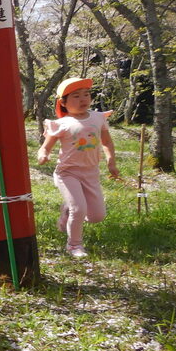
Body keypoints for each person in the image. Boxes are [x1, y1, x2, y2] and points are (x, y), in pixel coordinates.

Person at [37, 77, 119, 259]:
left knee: (96, 216)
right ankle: (74, 245)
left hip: (91, 172)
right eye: (76, 96)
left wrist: (111, 161)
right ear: (63, 102)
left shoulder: (98, 118)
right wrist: (43, 155)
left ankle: (68, 210)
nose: (83, 99)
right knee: (79, 209)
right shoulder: (61, 124)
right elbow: (46, 146)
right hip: (67, 173)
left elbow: (106, 141)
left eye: (86, 95)